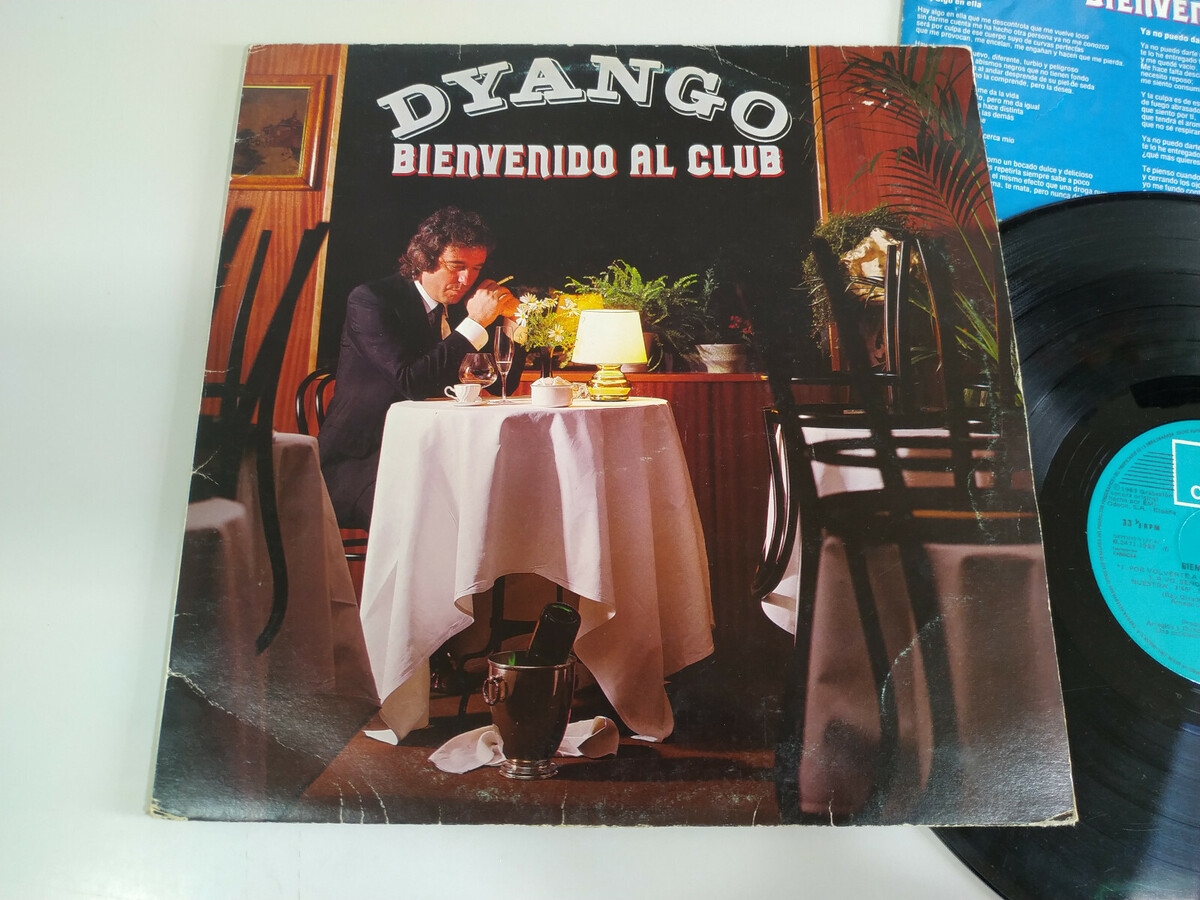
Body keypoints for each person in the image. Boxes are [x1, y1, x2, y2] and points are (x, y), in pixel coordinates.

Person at [318, 206, 523, 530]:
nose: (467, 280)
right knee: (440, 513)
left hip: (434, 455)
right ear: (425, 258)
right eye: (457, 266)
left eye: (476, 268)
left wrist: (513, 325)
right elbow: (411, 382)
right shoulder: (371, 300)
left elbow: (497, 385)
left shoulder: (463, 308)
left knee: (502, 498)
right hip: (362, 462)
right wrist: (474, 324)